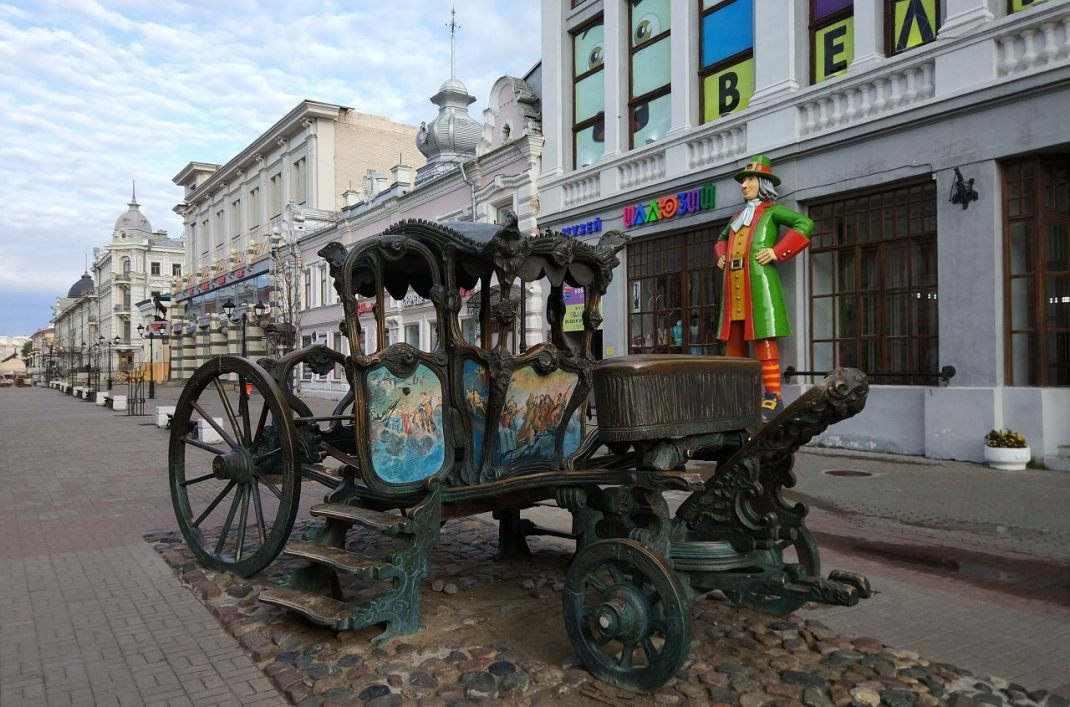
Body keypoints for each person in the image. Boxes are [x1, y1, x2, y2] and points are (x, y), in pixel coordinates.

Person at [715, 155, 813, 421]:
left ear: (763, 183)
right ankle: (734, 398)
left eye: (749, 179)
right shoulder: (738, 216)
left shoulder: (772, 211)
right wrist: (721, 255)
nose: (744, 185)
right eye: (743, 180)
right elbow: (722, 239)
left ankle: (773, 397)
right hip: (734, 284)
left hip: (758, 283)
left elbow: (804, 224)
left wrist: (777, 251)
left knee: (763, 337)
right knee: (733, 342)